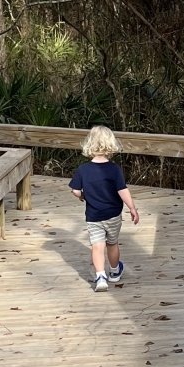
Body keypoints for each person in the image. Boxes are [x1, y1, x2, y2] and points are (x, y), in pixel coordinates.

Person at [69, 125, 140, 292]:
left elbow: (75, 190)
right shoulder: (114, 169)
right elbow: (122, 190)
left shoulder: (83, 170)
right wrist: (132, 208)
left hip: (93, 215)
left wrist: (83, 197)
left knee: (97, 246)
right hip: (113, 215)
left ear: (89, 144)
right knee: (112, 244)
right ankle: (115, 272)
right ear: (110, 145)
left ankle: (100, 276)